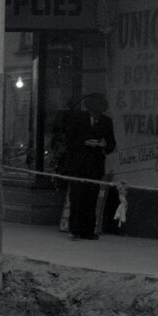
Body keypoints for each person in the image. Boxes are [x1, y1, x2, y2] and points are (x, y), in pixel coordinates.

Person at [61, 93, 116, 240]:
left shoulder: (106, 121)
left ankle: (88, 231)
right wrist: (84, 143)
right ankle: (75, 229)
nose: (97, 116)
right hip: (78, 165)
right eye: (94, 112)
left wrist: (104, 145)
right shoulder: (77, 119)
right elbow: (69, 141)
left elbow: (111, 144)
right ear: (89, 109)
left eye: (99, 113)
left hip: (95, 166)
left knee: (91, 199)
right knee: (76, 198)